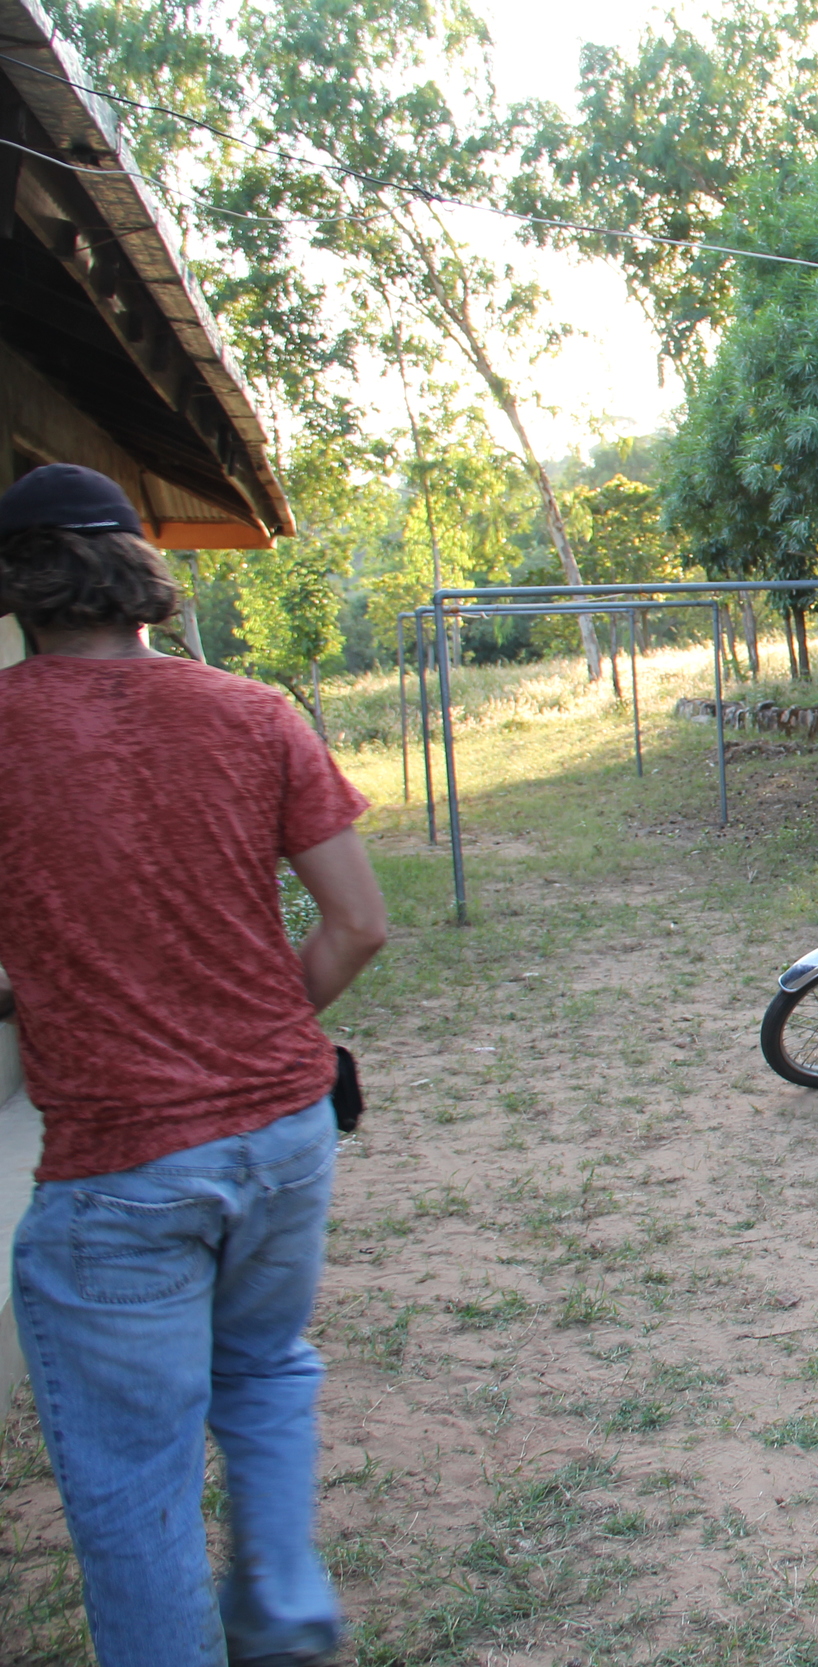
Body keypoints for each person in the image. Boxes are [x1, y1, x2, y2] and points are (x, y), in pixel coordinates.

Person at [0, 465, 388, 1667]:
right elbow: (357, 923)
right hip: (284, 1127)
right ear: (142, 578)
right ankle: (279, 1597)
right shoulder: (254, 711)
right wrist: (259, 1029)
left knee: (133, 1473)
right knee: (265, 1362)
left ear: (18, 585)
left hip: (120, 1161)